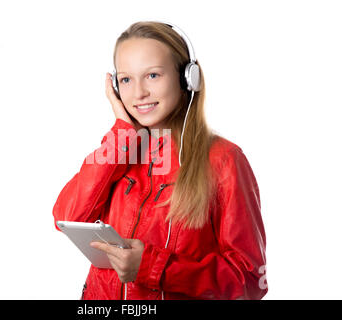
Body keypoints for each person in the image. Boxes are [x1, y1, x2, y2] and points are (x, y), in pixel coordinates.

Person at [52, 21, 268, 300]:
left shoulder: (224, 160)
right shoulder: (119, 152)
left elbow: (250, 281)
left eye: (152, 75)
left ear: (186, 79)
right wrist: (121, 133)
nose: (138, 93)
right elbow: (66, 218)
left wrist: (154, 268)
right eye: (126, 79)